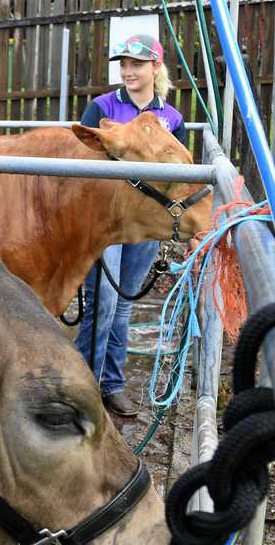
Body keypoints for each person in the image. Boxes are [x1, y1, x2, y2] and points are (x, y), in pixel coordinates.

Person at [76, 33, 186, 418]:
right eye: (123, 64)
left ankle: (112, 383)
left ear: (155, 67)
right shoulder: (101, 107)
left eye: (136, 64)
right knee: (102, 303)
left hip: (145, 223)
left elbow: (180, 174)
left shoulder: (170, 119)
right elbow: (80, 163)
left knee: (122, 306)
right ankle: (81, 385)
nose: (128, 71)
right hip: (108, 222)